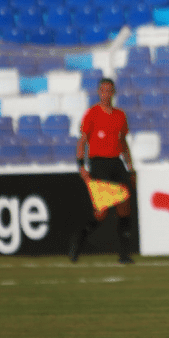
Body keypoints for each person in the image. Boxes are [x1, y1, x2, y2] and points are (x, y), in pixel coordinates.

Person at [69, 77, 138, 264]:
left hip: (116, 163)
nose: (107, 94)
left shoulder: (120, 115)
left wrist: (130, 168)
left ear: (114, 93)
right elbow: (82, 141)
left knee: (125, 207)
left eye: (110, 91)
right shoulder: (91, 114)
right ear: (99, 93)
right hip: (99, 163)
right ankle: (79, 240)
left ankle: (123, 254)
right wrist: (81, 165)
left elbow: (123, 143)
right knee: (102, 212)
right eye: (103, 91)